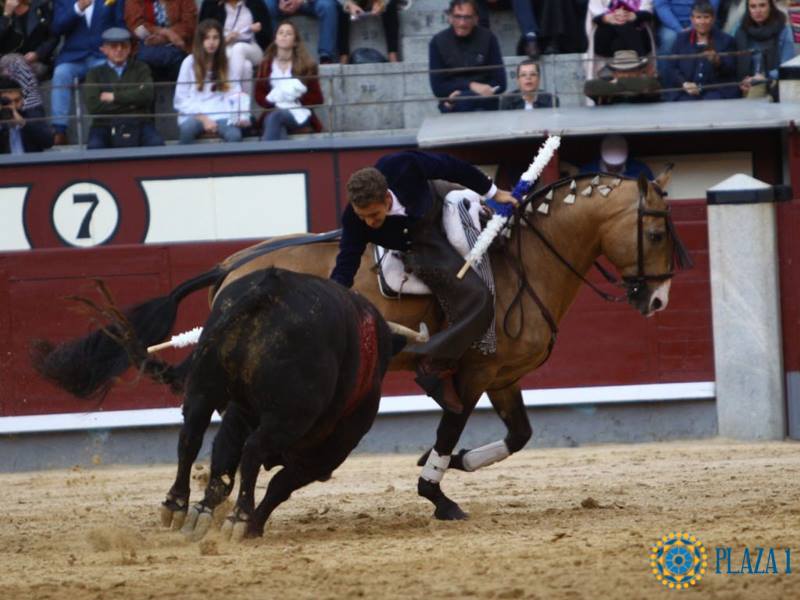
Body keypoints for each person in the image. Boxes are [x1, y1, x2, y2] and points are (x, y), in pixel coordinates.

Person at [329, 151, 516, 413]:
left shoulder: (401, 166)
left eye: (374, 214)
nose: (369, 223)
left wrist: (493, 193)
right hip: (420, 244)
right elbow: (347, 260)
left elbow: (451, 166)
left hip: (437, 199)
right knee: (478, 299)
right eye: (363, 216)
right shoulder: (355, 219)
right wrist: (334, 295)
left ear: (386, 197)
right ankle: (434, 362)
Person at [50, 0, 126, 145]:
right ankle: (59, 130)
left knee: (113, 71)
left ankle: (113, 126)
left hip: (102, 54)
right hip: (74, 56)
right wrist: (77, 8)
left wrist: (116, 47)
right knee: (60, 73)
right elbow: (56, 28)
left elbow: (119, 24)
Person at [84, 27, 164, 149]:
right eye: (114, 46)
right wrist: (133, 103)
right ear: (104, 49)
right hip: (104, 124)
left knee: (157, 145)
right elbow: (94, 106)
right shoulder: (94, 73)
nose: (119, 50)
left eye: (124, 46)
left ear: (130, 49)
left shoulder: (141, 68)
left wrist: (114, 97)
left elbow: (147, 95)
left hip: (139, 122)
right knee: (95, 147)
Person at [174, 18, 250, 144]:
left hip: (221, 113)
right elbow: (180, 99)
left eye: (215, 38)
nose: (211, 42)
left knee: (234, 135)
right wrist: (203, 119)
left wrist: (239, 115)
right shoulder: (189, 62)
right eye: (207, 38)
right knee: (187, 130)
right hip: (195, 114)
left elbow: (234, 91)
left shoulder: (227, 63)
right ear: (200, 41)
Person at [429, 0, 506, 113]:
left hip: (483, 104)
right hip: (454, 106)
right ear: (450, 17)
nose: (462, 23)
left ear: (476, 19)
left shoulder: (488, 38)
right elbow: (438, 88)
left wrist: (464, 93)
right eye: (457, 17)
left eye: (467, 17)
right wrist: (472, 85)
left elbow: (501, 83)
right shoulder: (437, 42)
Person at [255, 20, 323, 140]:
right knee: (278, 124)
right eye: (280, 33)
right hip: (273, 110)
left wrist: (294, 96)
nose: (284, 35)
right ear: (275, 39)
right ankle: (278, 158)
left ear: (295, 41)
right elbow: (258, 95)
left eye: (288, 33)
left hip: (298, 113)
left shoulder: (307, 65)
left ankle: (265, 157)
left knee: (275, 117)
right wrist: (275, 100)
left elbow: (317, 98)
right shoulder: (266, 64)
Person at [662, 0, 737, 101]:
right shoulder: (681, 39)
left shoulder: (726, 40)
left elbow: (731, 70)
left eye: (706, 17)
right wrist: (684, 83)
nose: (702, 22)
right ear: (692, 20)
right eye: (698, 17)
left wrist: (718, 62)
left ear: (713, 19)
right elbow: (672, 68)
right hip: (686, 93)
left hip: (714, 93)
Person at [199, 0, 271, 95]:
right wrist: (224, 40)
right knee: (246, 66)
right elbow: (202, 35)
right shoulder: (211, 4)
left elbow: (268, 35)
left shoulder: (256, 3)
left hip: (252, 47)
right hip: (224, 47)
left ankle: (231, 91)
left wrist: (259, 29)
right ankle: (244, 105)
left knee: (238, 48)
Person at [734, 0, 794, 100]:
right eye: (753, 6)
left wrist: (765, 76)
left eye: (762, 5)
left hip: (774, 81)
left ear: (770, 6)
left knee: (758, 87)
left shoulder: (783, 30)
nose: (758, 10)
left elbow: (787, 67)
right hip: (747, 82)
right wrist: (742, 81)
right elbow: (734, 62)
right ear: (748, 9)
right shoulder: (740, 30)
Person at [124, 0, 198, 81]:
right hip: (146, 44)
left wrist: (165, 38)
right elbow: (136, 25)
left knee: (183, 61)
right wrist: (165, 32)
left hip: (179, 45)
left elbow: (190, 24)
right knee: (144, 61)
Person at [264, 0, 338, 63]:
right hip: (282, 3)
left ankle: (326, 56)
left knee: (327, 5)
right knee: (267, 5)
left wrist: (300, 1)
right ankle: (271, 53)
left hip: (309, 2)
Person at [0, 0, 58, 79]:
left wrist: (38, 53)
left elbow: (53, 37)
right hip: (8, 63)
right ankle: (30, 90)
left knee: (21, 69)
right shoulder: (4, 14)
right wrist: (6, 16)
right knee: (14, 63)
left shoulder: (42, 7)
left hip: (37, 62)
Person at [584, 48, 661, 103]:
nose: (626, 74)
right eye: (622, 71)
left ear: (638, 71)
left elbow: (650, 84)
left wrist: (618, 82)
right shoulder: (606, 85)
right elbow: (589, 86)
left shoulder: (647, 84)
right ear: (615, 73)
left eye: (631, 70)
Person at [586, 0, 654, 60]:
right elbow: (596, 16)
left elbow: (647, 12)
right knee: (622, 24)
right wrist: (607, 18)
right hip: (606, 39)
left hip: (637, 33)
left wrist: (634, 16)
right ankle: (641, 59)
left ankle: (632, 65)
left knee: (621, 34)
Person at [0, 77, 53, 153]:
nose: (13, 106)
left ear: (22, 100)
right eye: (7, 102)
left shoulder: (32, 116)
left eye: (17, 101)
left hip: (30, 164)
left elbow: (48, 142)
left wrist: (23, 123)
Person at [654, 0, 720, 56]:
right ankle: (665, 71)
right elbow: (661, 7)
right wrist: (678, 28)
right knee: (669, 39)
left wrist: (694, 26)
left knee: (710, 41)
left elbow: (713, 4)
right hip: (671, 24)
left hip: (702, 20)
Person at [579, 134, 655, 179]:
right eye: (610, 165)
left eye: (618, 165)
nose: (614, 169)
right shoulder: (587, 172)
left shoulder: (641, 171)